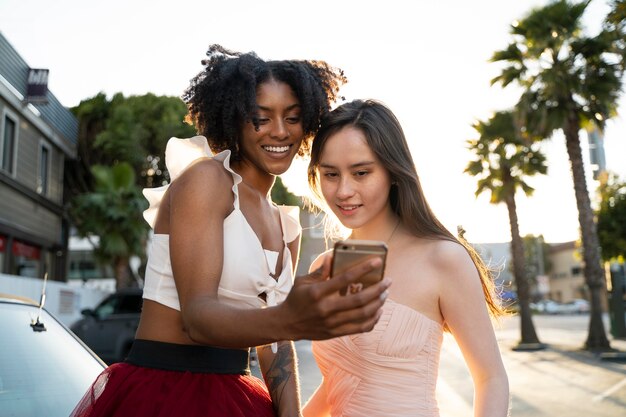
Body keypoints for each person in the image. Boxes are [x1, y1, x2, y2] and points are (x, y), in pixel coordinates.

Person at [71, 46, 390, 417]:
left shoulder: (285, 223)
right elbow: (198, 317)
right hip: (164, 392)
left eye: (293, 117)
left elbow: (276, 345)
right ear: (235, 118)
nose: (280, 131)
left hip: (237, 395)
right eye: (261, 117)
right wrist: (292, 317)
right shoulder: (206, 180)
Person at [303, 99, 509, 417]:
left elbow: (491, 378)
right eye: (331, 174)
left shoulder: (443, 259)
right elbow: (338, 381)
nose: (343, 190)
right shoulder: (325, 267)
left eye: (361, 172)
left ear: (393, 172)